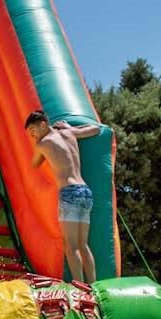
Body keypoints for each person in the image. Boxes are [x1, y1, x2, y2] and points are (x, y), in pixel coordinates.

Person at [25, 110, 101, 283]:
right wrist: (70, 127)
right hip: (85, 191)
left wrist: (38, 144)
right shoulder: (69, 132)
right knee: (83, 245)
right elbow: (95, 129)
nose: (32, 135)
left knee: (71, 245)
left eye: (33, 130)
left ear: (43, 124)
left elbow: (34, 164)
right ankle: (94, 285)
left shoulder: (43, 143)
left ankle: (80, 286)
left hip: (69, 192)